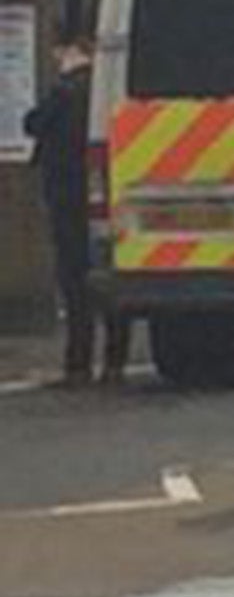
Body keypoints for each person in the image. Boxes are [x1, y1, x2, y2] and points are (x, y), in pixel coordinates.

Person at [24, 28, 127, 387]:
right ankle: (115, 362)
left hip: (69, 197)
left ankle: (78, 365)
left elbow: (33, 123)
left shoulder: (66, 90)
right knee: (110, 280)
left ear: (73, 51)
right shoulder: (109, 91)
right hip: (109, 194)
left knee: (76, 282)